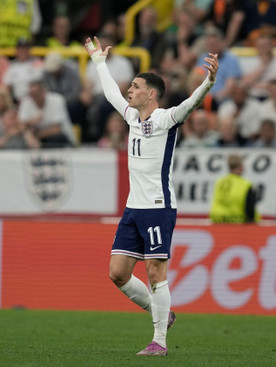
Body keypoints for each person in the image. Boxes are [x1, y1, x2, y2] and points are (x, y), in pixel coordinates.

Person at [84, 35, 219, 356]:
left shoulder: (165, 119)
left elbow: (191, 104)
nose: (128, 90)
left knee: (156, 273)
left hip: (158, 207)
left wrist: (209, 82)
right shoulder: (131, 117)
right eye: (129, 87)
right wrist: (98, 63)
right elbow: (109, 93)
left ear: (151, 94)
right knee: (117, 273)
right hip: (133, 208)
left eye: (134, 86)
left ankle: (159, 341)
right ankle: (163, 315)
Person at [209, 154, 258, 223]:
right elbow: (249, 209)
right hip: (236, 221)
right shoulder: (246, 184)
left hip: (217, 220)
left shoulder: (219, 182)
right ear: (241, 166)